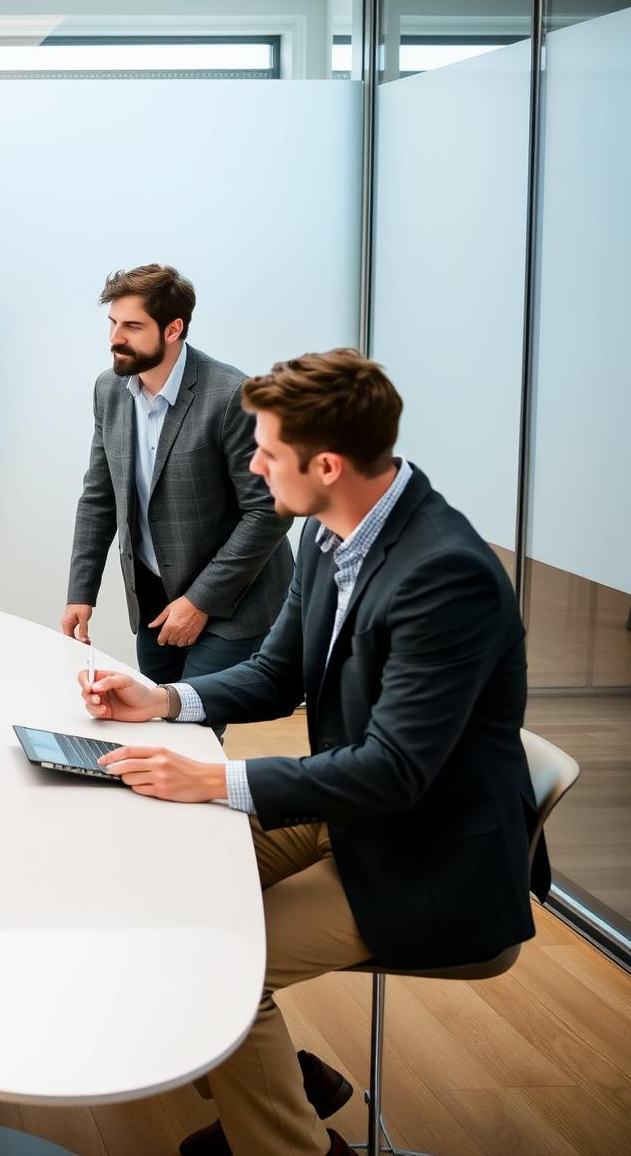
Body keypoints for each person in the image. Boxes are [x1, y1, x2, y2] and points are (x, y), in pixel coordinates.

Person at [78, 350, 547, 1156]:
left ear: (325, 465)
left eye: (264, 451)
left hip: (425, 852)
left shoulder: (445, 576)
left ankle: (293, 1143)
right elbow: (274, 673)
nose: (253, 467)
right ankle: (283, 1086)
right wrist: (167, 700)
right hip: (348, 816)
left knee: (217, 963)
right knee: (147, 892)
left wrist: (215, 779)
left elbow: (395, 770)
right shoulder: (335, 534)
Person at [64, 265, 292, 686]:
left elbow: (269, 511)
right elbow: (99, 497)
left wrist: (199, 601)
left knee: (194, 722)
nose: (115, 337)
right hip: (154, 596)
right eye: (113, 323)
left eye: (132, 326)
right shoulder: (109, 390)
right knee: (157, 719)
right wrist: (81, 593)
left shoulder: (230, 396)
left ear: (173, 329)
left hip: (232, 601)